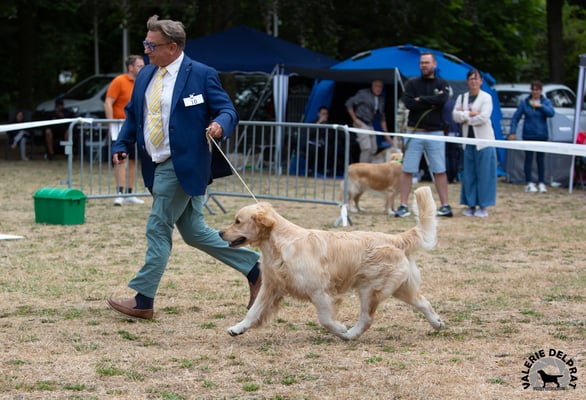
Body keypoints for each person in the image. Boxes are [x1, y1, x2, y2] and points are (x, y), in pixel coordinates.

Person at [107, 15, 261, 320]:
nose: (146, 50)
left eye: (152, 45)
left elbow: (227, 109)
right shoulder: (146, 75)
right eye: (145, 43)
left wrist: (220, 124)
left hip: (183, 165)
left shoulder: (201, 74)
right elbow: (134, 115)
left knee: (157, 227)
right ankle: (256, 270)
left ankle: (143, 299)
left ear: (173, 47)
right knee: (194, 232)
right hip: (155, 163)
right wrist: (121, 144)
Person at [395, 52, 452, 218]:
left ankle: (445, 205)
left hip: (436, 132)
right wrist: (431, 101)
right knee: (407, 169)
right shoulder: (412, 84)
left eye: (427, 62)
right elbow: (408, 103)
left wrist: (421, 100)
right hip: (415, 131)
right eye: (421, 63)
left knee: (439, 169)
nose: (424, 66)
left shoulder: (442, 83)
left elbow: (442, 100)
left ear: (434, 64)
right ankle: (403, 205)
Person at [452, 70, 497, 218]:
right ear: (467, 81)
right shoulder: (462, 97)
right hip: (468, 141)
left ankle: (483, 205)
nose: (473, 81)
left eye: (476, 79)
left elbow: (483, 117)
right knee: (469, 174)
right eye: (471, 79)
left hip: (484, 142)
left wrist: (465, 117)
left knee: (485, 174)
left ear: (481, 81)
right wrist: (468, 114)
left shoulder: (486, 97)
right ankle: (470, 204)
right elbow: (455, 116)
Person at [104, 54, 146, 206]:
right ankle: (120, 193)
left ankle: (130, 193)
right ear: (130, 67)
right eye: (139, 66)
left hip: (135, 125)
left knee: (134, 160)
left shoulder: (141, 82)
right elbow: (108, 102)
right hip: (119, 125)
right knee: (120, 159)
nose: (142, 68)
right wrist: (110, 123)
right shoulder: (119, 81)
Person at [508, 80, 555, 193]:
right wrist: (512, 131)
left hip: (541, 135)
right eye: (533, 90)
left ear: (541, 91)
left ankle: (541, 182)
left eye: (537, 90)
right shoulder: (525, 102)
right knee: (528, 159)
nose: (535, 92)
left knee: (540, 159)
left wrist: (540, 106)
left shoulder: (546, 101)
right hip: (528, 134)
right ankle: (529, 182)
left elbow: (551, 113)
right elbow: (516, 117)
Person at [345, 79, 392, 163]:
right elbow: (349, 103)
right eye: (376, 86)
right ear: (372, 86)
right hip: (361, 122)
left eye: (380, 87)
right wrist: (354, 119)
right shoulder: (363, 93)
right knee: (366, 147)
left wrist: (386, 134)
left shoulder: (381, 99)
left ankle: (369, 167)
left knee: (374, 148)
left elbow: (382, 117)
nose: (378, 89)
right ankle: (362, 169)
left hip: (370, 124)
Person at [443, 93, 462, 183]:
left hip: (445, 132)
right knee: (454, 155)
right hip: (455, 132)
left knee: (446, 155)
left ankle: (447, 176)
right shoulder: (455, 103)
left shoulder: (442, 104)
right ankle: (454, 176)